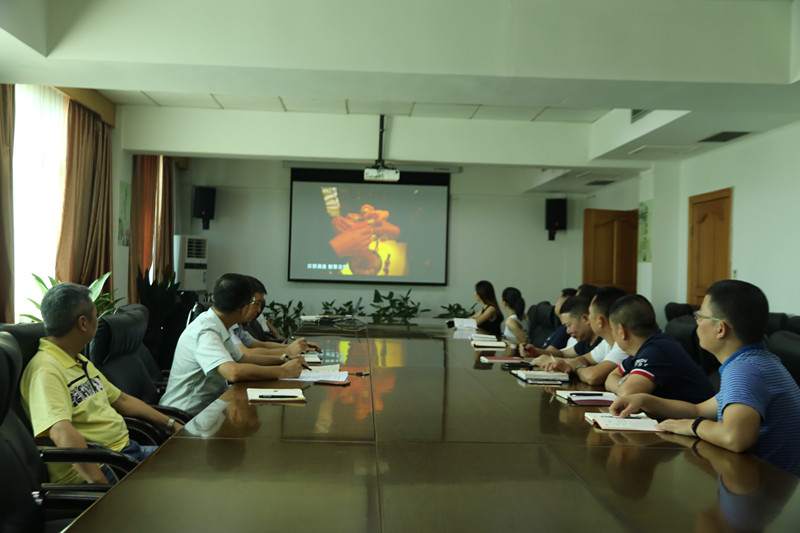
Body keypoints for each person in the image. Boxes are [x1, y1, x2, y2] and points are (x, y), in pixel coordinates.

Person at [611, 280, 800, 475]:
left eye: (700, 316)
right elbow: (698, 409)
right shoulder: (759, 362)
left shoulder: (744, 370)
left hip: (764, 486)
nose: (697, 322)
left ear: (720, 329)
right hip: (764, 482)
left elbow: (735, 437)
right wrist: (644, 400)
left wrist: (693, 426)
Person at [20, 283, 182, 484]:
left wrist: (171, 425)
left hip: (124, 452)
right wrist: (101, 486)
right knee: (185, 479)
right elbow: (60, 431)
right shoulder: (45, 371)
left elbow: (122, 400)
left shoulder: (78, 360)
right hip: (102, 466)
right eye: (96, 315)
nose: (98, 320)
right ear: (83, 323)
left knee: (189, 460)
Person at [160, 274, 304, 416]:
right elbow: (233, 372)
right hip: (185, 417)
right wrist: (282, 371)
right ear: (244, 308)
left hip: (212, 409)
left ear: (213, 298)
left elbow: (242, 358)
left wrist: (282, 359)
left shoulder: (219, 325)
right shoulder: (205, 331)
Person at [604, 294, 715, 403]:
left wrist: (623, 384)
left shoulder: (657, 351)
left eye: (612, 329)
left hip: (700, 414)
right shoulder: (647, 347)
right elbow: (610, 377)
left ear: (621, 331)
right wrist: (623, 384)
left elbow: (627, 393)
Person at [542, 286, 628, 385]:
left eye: (590, 313)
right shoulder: (606, 343)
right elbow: (584, 359)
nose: (588, 318)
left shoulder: (624, 345)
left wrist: (575, 368)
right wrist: (572, 365)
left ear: (600, 321)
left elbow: (593, 376)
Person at [230, 276, 321, 357]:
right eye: (257, 304)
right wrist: (288, 351)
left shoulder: (238, 327)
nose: (259, 310)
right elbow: (244, 354)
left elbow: (262, 345)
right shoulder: (228, 327)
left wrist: (296, 347)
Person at [526, 295, 602, 364]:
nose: (567, 331)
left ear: (585, 319)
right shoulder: (585, 342)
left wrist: (553, 361)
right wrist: (536, 351)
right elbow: (563, 354)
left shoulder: (603, 343)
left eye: (569, 325)